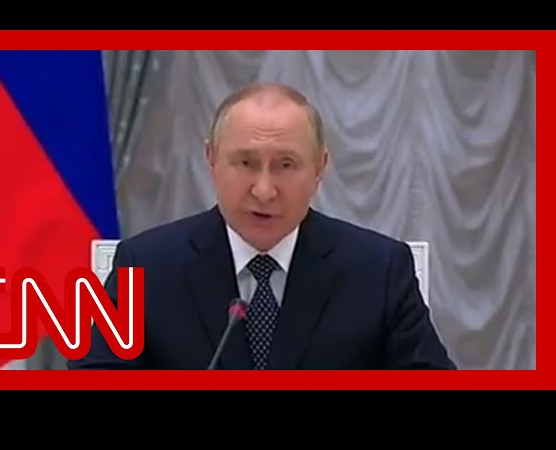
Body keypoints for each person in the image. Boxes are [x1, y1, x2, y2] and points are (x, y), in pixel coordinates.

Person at [68, 82, 457, 370]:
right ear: (211, 159)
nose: (265, 190)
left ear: (319, 168)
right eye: (245, 163)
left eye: (286, 165)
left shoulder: (379, 271)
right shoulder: (145, 267)